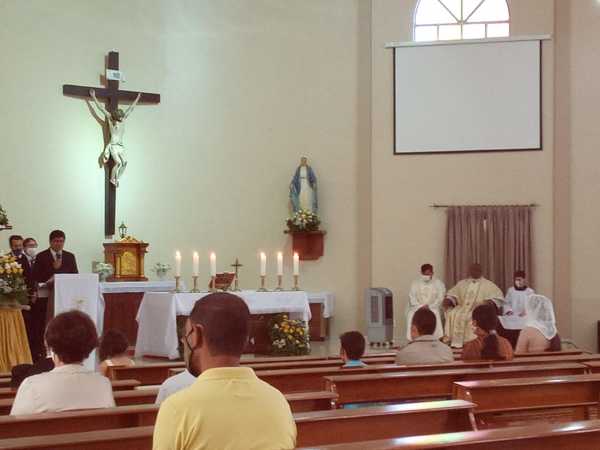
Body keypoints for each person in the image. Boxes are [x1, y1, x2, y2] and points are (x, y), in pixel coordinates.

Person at [153, 293, 296, 450]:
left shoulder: (177, 408)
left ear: (196, 335)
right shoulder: (277, 402)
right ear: (246, 338)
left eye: (185, 335)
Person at [10, 310, 115, 415]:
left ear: (50, 345)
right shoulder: (103, 383)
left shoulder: (32, 385)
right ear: (90, 345)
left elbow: (15, 428)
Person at [443, 263, 504, 348]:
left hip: (479, 309)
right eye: (473, 270)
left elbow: (498, 297)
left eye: (477, 270)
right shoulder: (462, 283)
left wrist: (488, 302)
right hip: (462, 308)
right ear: (470, 271)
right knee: (452, 314)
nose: (475, 272)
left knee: (472, 317)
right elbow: (452, 294)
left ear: (481, 271)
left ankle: (472, 342)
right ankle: (453, 341)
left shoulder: (488, 285)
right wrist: (449, 299)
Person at [32, 230, 78, 323]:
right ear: (50, 242)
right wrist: (54, 269)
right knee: (47, 320)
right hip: (46, 295)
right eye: (56, 241)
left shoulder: (70, 256)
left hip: (65, 294)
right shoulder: (41, 256)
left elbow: (75, 275)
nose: (59, 244)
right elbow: (36, 276)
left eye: (61, 241)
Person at [406, 263, 445, 341]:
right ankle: (412, 339)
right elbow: (412, 297)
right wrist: (421, 306)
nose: (426, 276)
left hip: (433, 307)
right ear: (421, 273)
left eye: (428, 274)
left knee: (435, 313)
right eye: (424, 274)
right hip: (417, 307)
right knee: (411, 314)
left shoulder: (438, 283)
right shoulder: (415, 283)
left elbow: (440, 297)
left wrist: (430, 306)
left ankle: (435, 338)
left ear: (432, 273)